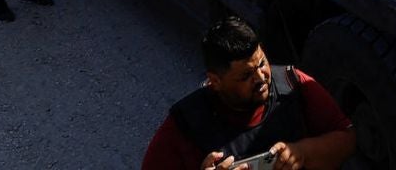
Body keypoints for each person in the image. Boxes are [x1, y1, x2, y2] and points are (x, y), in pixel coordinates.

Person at [142, 14, 355, 170]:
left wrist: (302, 153)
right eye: (245, 76)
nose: (261, 77)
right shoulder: (186, 125)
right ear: (215, 81)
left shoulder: (293, 85)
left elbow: (346, 138)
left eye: (262, 63)